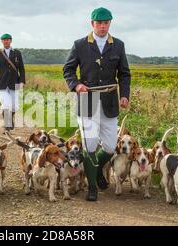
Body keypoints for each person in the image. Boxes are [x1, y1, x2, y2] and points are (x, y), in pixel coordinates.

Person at [63, 7, 131, 201]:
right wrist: (76, 85)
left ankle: (97, 167)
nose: (102, 26)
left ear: (110, 23)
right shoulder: (80, 45)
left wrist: (124, 94)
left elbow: (124, 74)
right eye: (99, 23)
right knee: (89, 146)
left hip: (110, 102)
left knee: (110, 147)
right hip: (88, 101)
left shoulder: (118, 45)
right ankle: (92, 187)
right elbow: (68, 70)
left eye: (106, 23)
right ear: (92, 24)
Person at [0, 33, 26, 131]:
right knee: (6, 104)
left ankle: (7, 116)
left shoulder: (17, 53)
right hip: (2, 83)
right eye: (4, 40)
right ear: (2, 41)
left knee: (15, 107)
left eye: (8, 39)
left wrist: (22, 81)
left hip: (15, 83)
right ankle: (7, 124)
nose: (6, 41)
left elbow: (21, 69)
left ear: (11, 41)